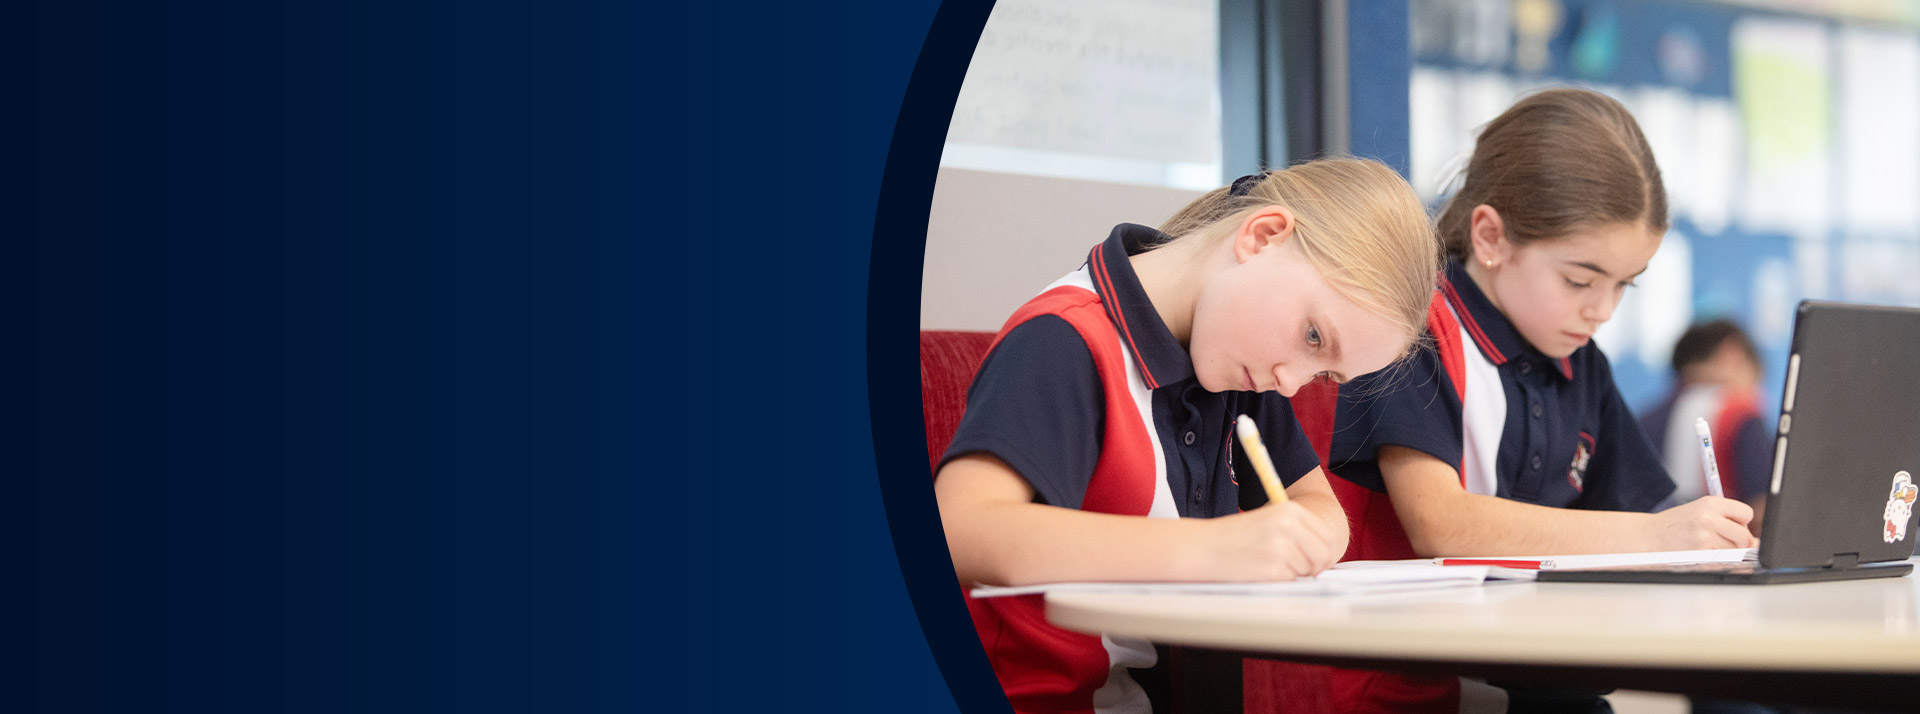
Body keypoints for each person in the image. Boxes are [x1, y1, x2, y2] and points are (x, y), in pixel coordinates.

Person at [933, 157, 1440, 714]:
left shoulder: (1239, 363)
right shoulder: (1064, 341)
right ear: (1263, 235)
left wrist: (1310, 535)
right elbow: (959, 529)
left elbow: (1315, 505)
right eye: (1314, 336)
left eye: (1323, 375)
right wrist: (1218, 549)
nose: (1293, 382)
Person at [1313, 88, 1756, 713]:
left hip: (1537, 668)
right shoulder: (1413, 331)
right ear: (1491, 237)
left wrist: (1709, 538)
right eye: (1579, 280)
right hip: (1398, 680)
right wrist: (1656, 533)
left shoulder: (1580, 363)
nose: (1601, 310)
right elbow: (1439, 523)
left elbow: (1646, 509)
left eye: (1624, 285)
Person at [1640, 319, 1773, 536]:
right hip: (1728, 558)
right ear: (1732, 354)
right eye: (1757, 381)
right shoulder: (1740, 414)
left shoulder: (1641, 421)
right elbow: (1764, 510)